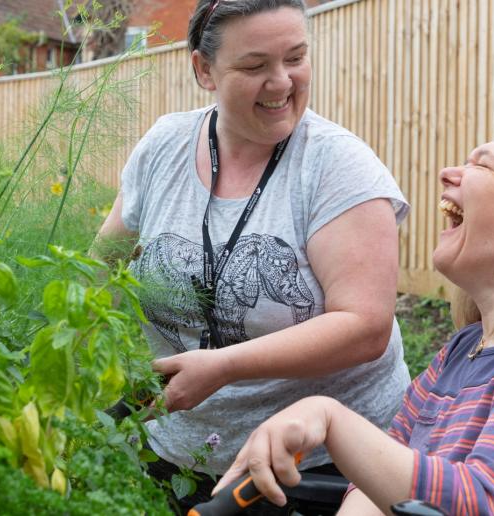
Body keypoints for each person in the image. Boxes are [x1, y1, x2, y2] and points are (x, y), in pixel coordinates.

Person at [94, 0, 411, 511]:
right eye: (255, 65)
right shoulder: (164, 147)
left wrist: (222, 366)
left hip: (314, 467)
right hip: (176, 450)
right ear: (203, 68)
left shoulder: (337, 166)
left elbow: (365, 325)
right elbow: (99, 272)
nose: (282, 82)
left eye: (295, 58)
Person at [214, 122, 494, 514]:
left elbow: (493, 505)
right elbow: (379, 489)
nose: (448, 173)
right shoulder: (461, 353)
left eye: (482, 164)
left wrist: (328, 418)